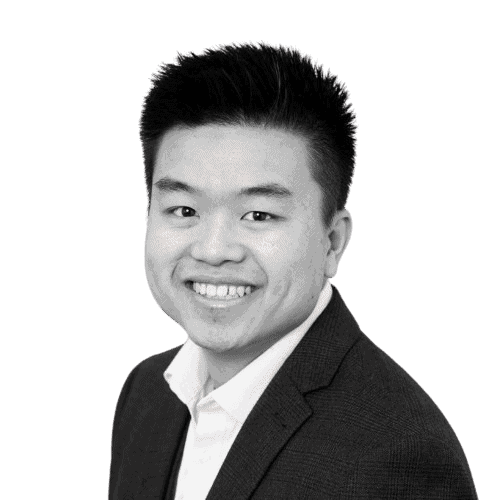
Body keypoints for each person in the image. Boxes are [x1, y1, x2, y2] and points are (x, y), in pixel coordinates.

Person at [107, 41, 478, 499]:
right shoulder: (146, 392)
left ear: (333, 241)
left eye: (259, 215)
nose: (214, 250)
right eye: (184, 209)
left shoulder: (396, 455)